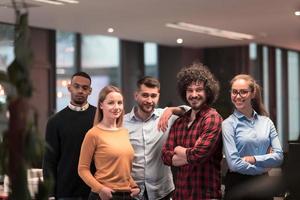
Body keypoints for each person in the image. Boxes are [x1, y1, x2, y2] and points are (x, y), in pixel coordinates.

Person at [162, 62, 223, 200]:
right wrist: (189, 155)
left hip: (205, 196)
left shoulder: (212, 118)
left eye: (199, 90)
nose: (194, 94)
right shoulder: (179, 122)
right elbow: (165, 156)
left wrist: (179, 150)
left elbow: (199, 155)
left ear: (207, 92)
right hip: (181, 195)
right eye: (190, 90)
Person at [124, 76, 188, 200]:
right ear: (136, 95)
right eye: (145, 95)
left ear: (158, 96)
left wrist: (172, 110)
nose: (149, 100)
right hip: (132, 191)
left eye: (153, 96)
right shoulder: (122, 123)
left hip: (162, 191)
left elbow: (193, 112)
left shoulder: (166, 116)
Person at [222, 74, 284, 200]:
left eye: (243, 92)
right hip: (237, 186)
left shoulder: (267, 122)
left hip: (263, 187)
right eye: (234, 92)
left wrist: (253, 159)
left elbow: (279, 157)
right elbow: (234, 164)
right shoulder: (228, 124)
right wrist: (263, 167)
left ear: (253, 93)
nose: (238, 96)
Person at [78, 85, 140, 200]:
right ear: (101, 105)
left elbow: (122, 167)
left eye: (119, 103)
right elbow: (82, 169)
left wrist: (133, 185)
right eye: (111, 103)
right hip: (104, 195)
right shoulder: (93, 134)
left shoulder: (124, 132)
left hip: (127, 195)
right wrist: (100, 189)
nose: (116, 107)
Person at [43, 72, 96, 200]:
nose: (80, 91)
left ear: (90, 91)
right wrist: (50, 194)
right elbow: (49, 161)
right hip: (65, 191)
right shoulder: (55, 121)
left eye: (84, 88)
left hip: (95, 190)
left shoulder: (99, 117)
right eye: (76, 86)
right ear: (69, 87)